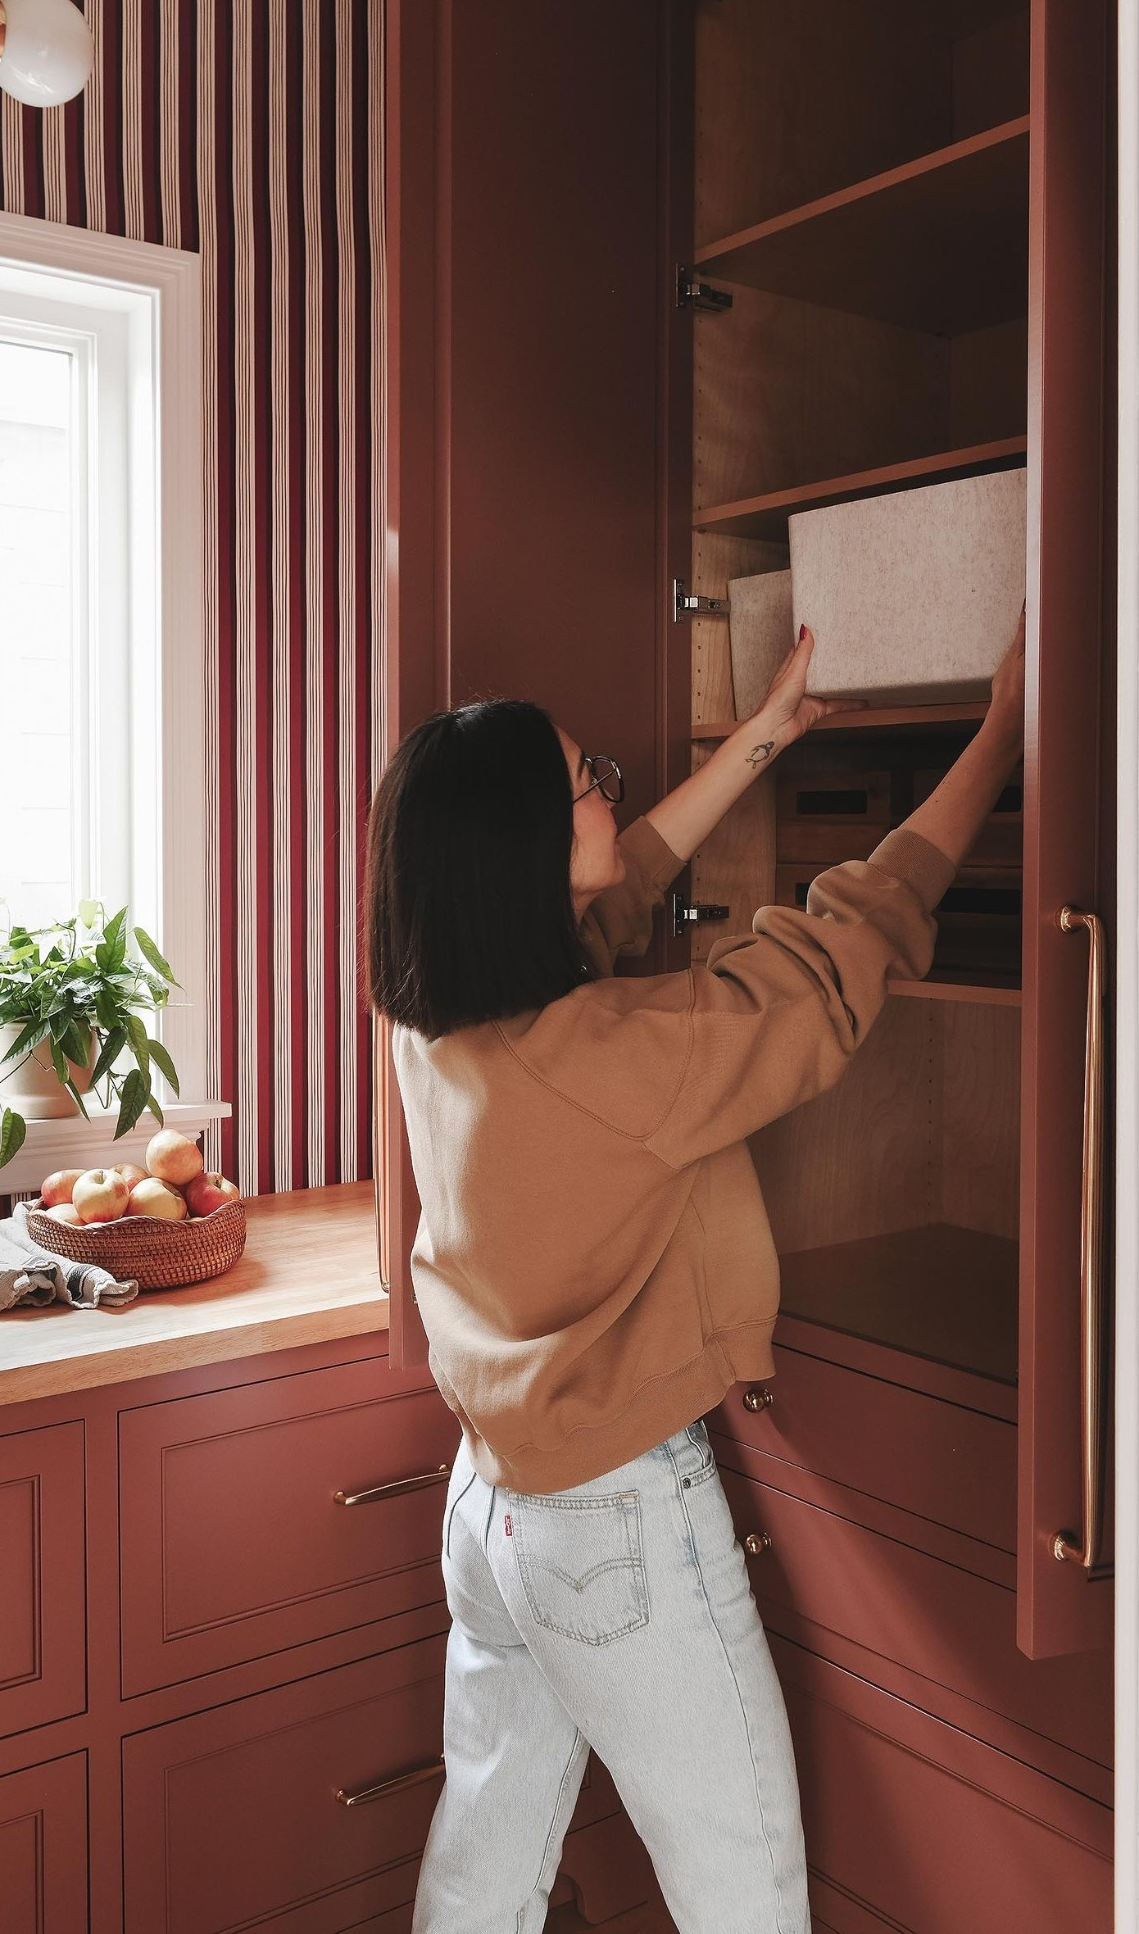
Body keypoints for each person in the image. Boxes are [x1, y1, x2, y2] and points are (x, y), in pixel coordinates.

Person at [365, 619, 1025, 1933]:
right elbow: (838, 958)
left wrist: (767, 733)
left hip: (493, 1508)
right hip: (615, 1530)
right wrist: (1005, 733)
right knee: (745, 1894)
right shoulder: (612, 1056)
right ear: (520, 853)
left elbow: (603, 895)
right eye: (585, 784)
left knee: (485, 1854)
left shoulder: (432, 1010)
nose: (610, 791)